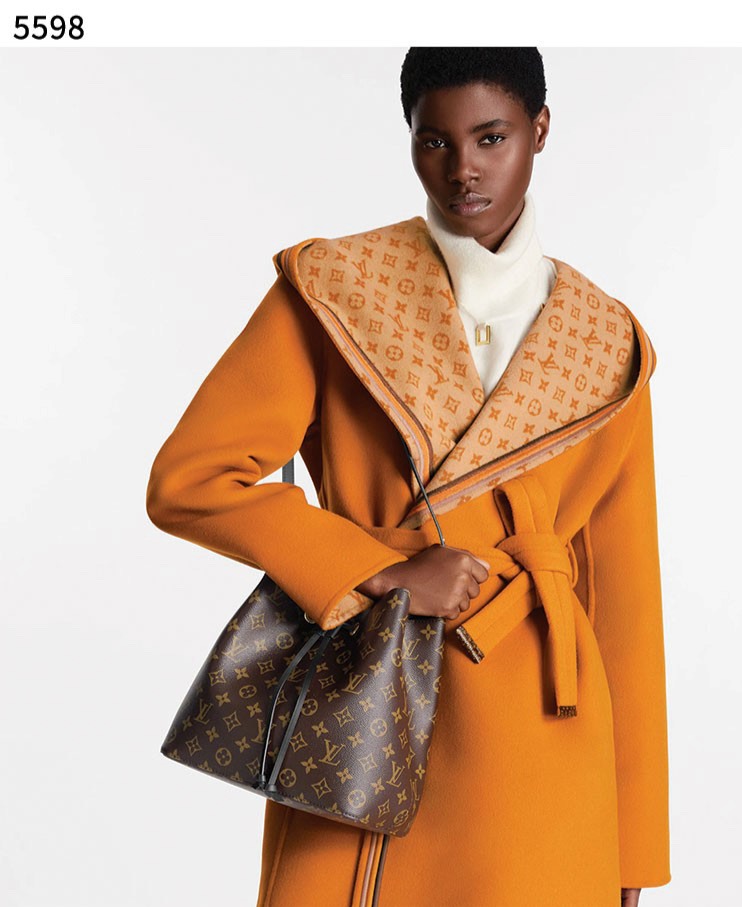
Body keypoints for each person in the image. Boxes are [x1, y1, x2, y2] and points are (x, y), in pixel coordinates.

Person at [146, 47, 671, 907]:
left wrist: (634, 851)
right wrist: (380, 570)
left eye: (492, 137)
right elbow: (192, 479)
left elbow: (625, 605)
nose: (463, 168)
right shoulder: (335, 291)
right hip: (376, 705)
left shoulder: (609, 341)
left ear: (540, 130)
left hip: (548, 739)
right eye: (435, 141)